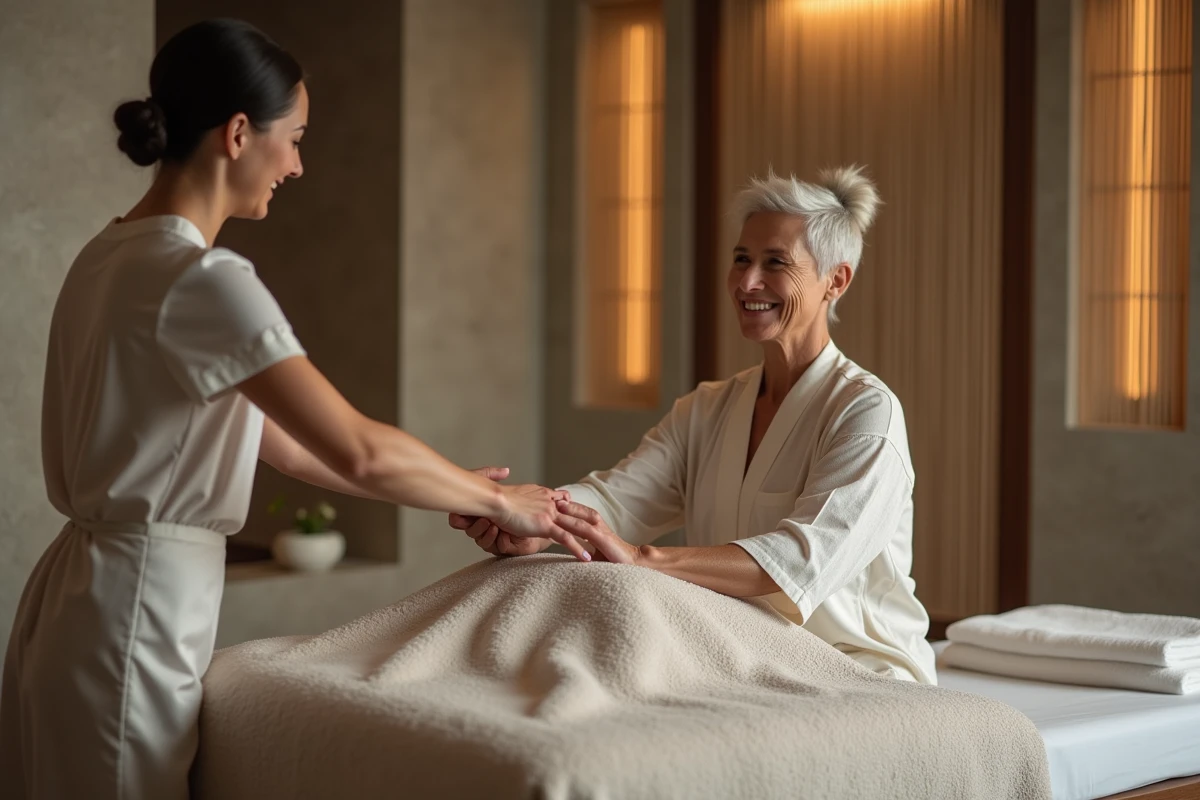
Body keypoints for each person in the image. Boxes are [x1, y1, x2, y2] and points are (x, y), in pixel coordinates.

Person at [0, 18, 592, 800]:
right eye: (296, 137)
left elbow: (292, 449)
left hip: (71, 601)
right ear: (240, 134)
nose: (300, 165)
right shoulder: (203, 279)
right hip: (136, 608)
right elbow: (355, 446)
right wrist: (497, 500)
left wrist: (456, 484)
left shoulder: (107, 255)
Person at [453, 166, 937, 685]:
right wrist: (535, 523)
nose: (748, 282)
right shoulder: (707, 409)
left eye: (775, 263)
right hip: (739, 664)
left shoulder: (866, 414)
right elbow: (617, 500)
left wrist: (643, 558)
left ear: (835, 281)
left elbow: (800, 563)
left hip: (856, 674)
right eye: (741, 259)